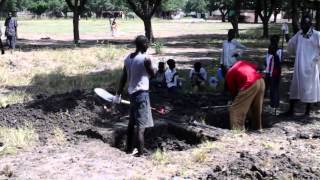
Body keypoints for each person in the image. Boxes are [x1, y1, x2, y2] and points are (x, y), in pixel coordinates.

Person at [116, 35, 155, 157]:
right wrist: (155, 70)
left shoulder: (128, 58)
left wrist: (118, 93)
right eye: (147, 43)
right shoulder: (145, 59)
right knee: (141, 125)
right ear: (143, 44)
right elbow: (152, 75)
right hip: (142, 94)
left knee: (131, 123)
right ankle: (140, 153)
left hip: (132, 94)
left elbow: (123, 77)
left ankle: (128, 148)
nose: (148, 46)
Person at [283, 15, 320, 116]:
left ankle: (307, 112)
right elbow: (291, 44)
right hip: (299, 65)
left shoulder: (317, 35)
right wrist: (286, 32)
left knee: (309, 88)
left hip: (311, 67)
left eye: (305, 24)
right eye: (302, 23)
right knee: (295, 87)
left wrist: (316, 59)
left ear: (310, 24)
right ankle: (291, 110)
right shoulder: (299, 34)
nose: (303, 26)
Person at [225, 60, 265, 130]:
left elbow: (234, 93)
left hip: (250, 82)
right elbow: (257, 68)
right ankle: (257, 129)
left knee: (235, 110)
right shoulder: (241, 63)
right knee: (255, 109)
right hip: (260, 80)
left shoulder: (229, 74)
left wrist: (233, 102)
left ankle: (237, 132)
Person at [265, 35, 283, 111]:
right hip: (268, 72)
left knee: (274, 89)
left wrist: (274, 53)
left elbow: (279, 63)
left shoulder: (279, 51)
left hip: (275, 73)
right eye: (271, 41)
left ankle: (275, 106)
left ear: (277, 42)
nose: (272, 44)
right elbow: (267, 61)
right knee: (270, 90)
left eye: (274, 42)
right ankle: (271, 105)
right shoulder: (269, 49)